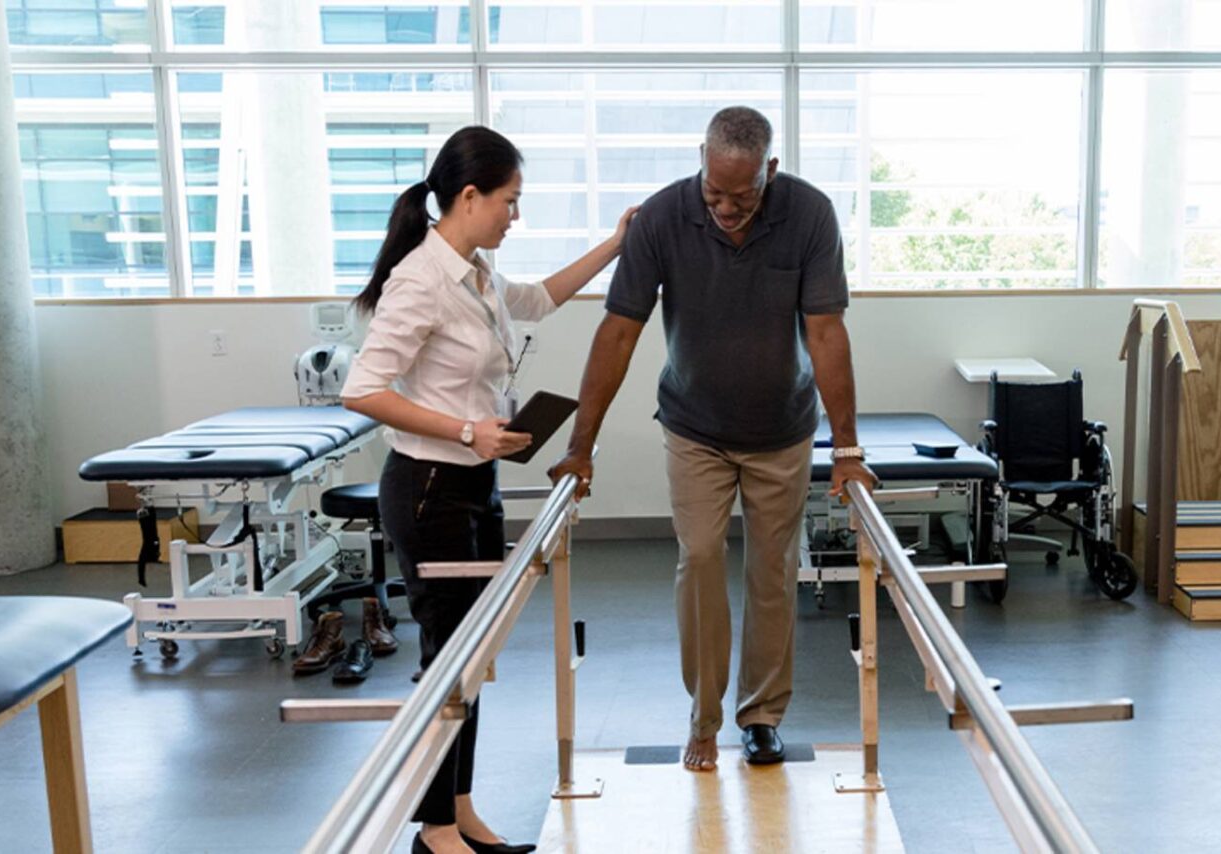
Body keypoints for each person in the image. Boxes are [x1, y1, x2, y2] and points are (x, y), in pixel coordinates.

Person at [548, 106, 875, 772]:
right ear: (700, 159)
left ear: (770, 172)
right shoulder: (665, 218)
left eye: (743, 195)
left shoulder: (809, 215)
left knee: (771, 575)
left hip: (782, 430)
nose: (726, 207)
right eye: (714, 192)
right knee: (698, 558)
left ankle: (760, 716)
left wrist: (846, 449)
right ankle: (703, 717)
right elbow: (618, 332)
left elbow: (826, 333)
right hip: (694, 426)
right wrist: (580, 446)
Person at [341, 125, 636, 854]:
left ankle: (461, 810)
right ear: (469, 196)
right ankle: (435, 831)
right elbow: (362, 391)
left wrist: (616, 244)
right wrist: (466, 430)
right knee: (446, 659)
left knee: (473, 660)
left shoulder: (473, 271)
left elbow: (539, 299)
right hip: (427, 485)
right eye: (510, 200)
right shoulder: (420, 278)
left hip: (474, 484)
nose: (515, 215)